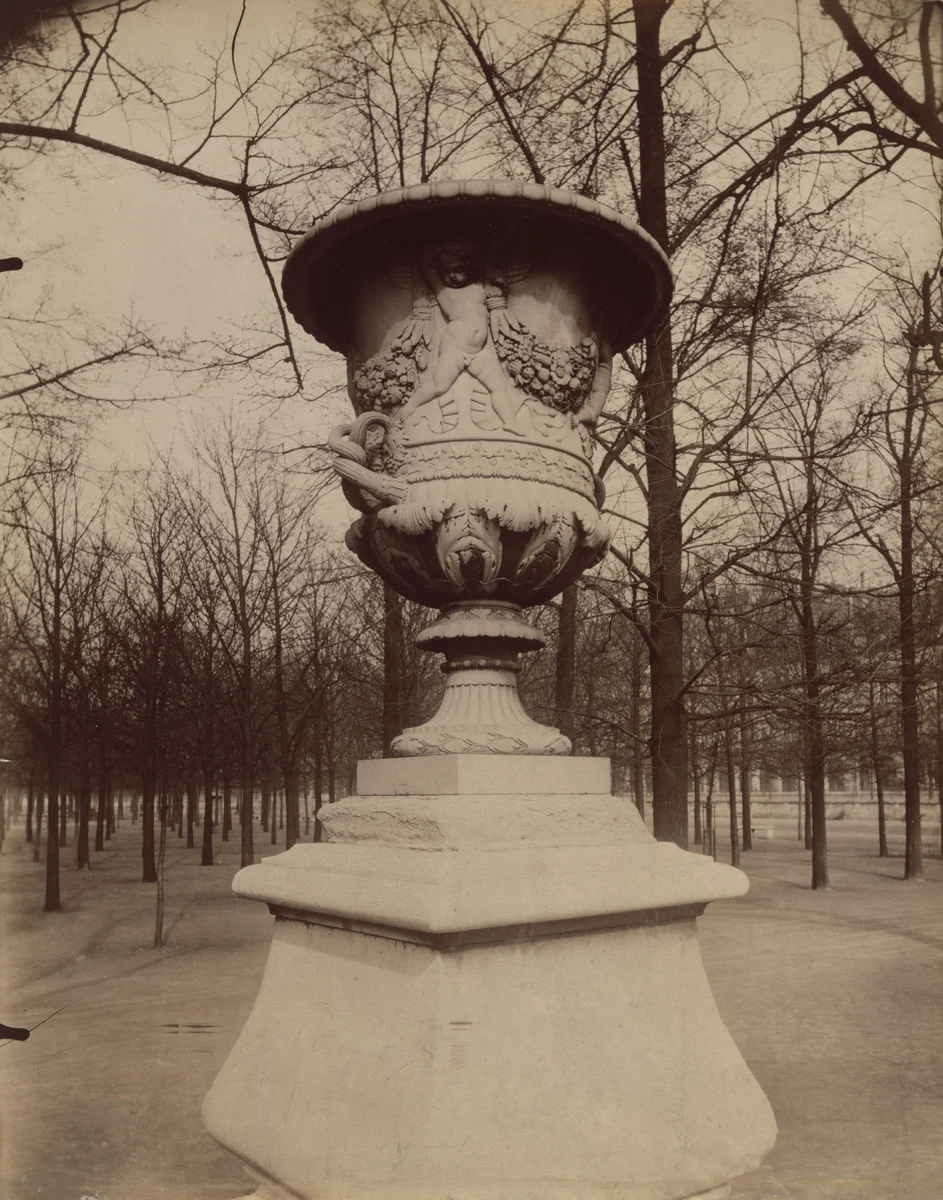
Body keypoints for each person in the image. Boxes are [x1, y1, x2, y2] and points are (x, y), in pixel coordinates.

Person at [399, 242, 526, 434]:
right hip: (455, 350)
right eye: (447, 271)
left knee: (498, 387)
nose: (452, 275)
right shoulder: (445, 291)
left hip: (479, 353)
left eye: (457, 270)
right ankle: (410, 406)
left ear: (470, 268)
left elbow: (493, 274)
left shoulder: (479, 288)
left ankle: (510, 423)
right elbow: (428, 270)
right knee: (439, 385)